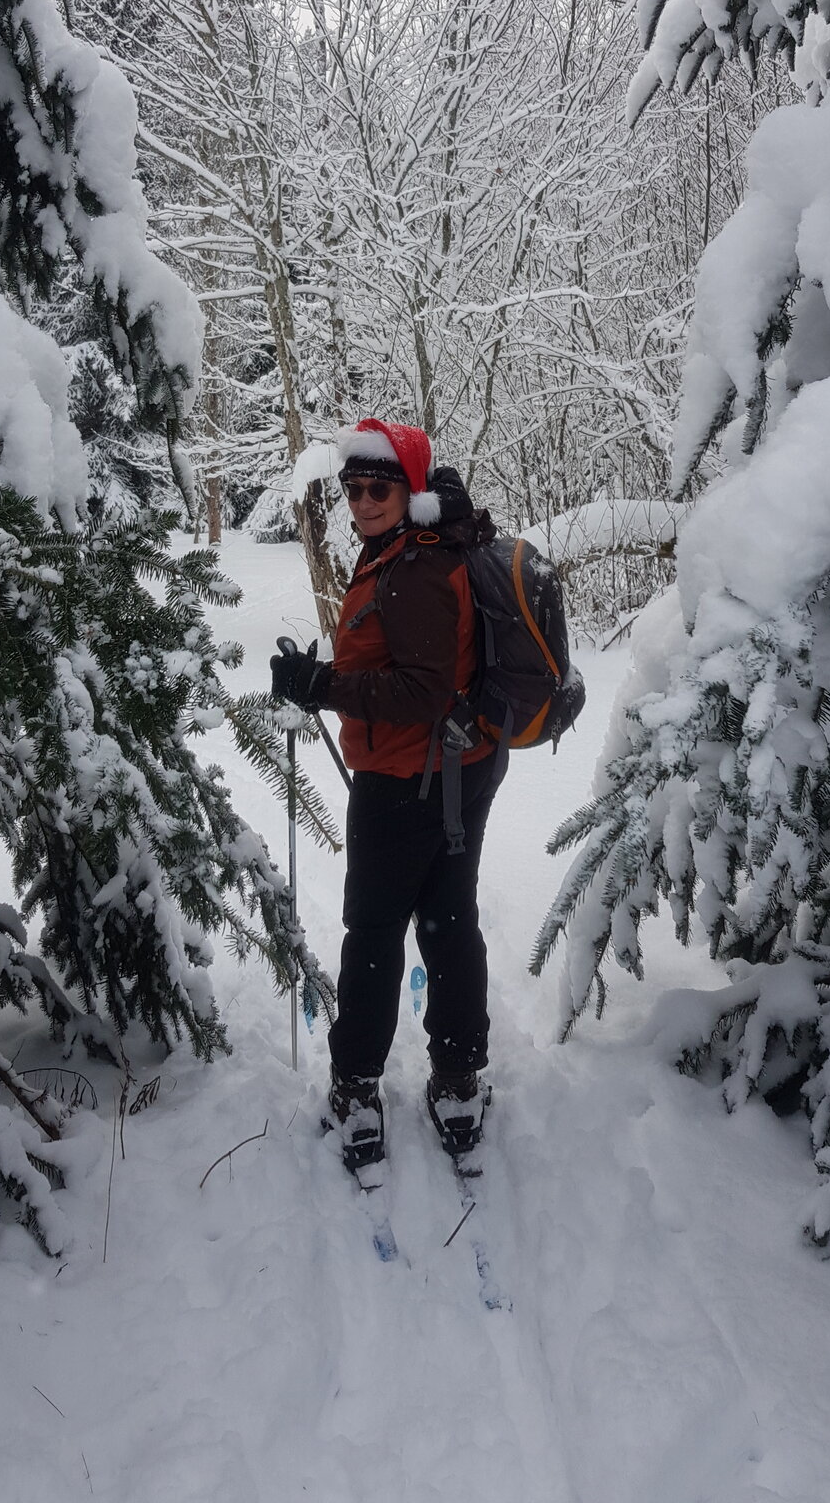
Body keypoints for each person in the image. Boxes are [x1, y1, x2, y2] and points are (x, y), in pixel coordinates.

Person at [270, 418, 502, 1172]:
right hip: (458, 771)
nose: (363, 501)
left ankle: (359, 1086)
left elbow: (423, 689)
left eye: (379, 487)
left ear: (411, 489)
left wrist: (322, 685)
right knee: (447, 919)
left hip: (411, 780)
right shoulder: (425, 548)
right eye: (353, 486)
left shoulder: (416, 568)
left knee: (376, 933)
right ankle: (459, 1077)